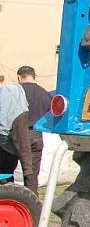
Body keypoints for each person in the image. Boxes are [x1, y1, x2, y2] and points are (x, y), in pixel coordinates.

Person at [17, 66, 52, 194]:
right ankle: (31, 201)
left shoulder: (17, 92)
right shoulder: (44, 93)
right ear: (35, 76)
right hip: (37, 135)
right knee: (31, 172)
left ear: (19, 77)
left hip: (17, 135)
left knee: (7, 169)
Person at [0, 83, 35, 194]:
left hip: (9, 135)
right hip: (20, 134)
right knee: (26, 166)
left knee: (25, 167)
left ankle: (29, 197)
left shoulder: (10, 94)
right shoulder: (15, 93)